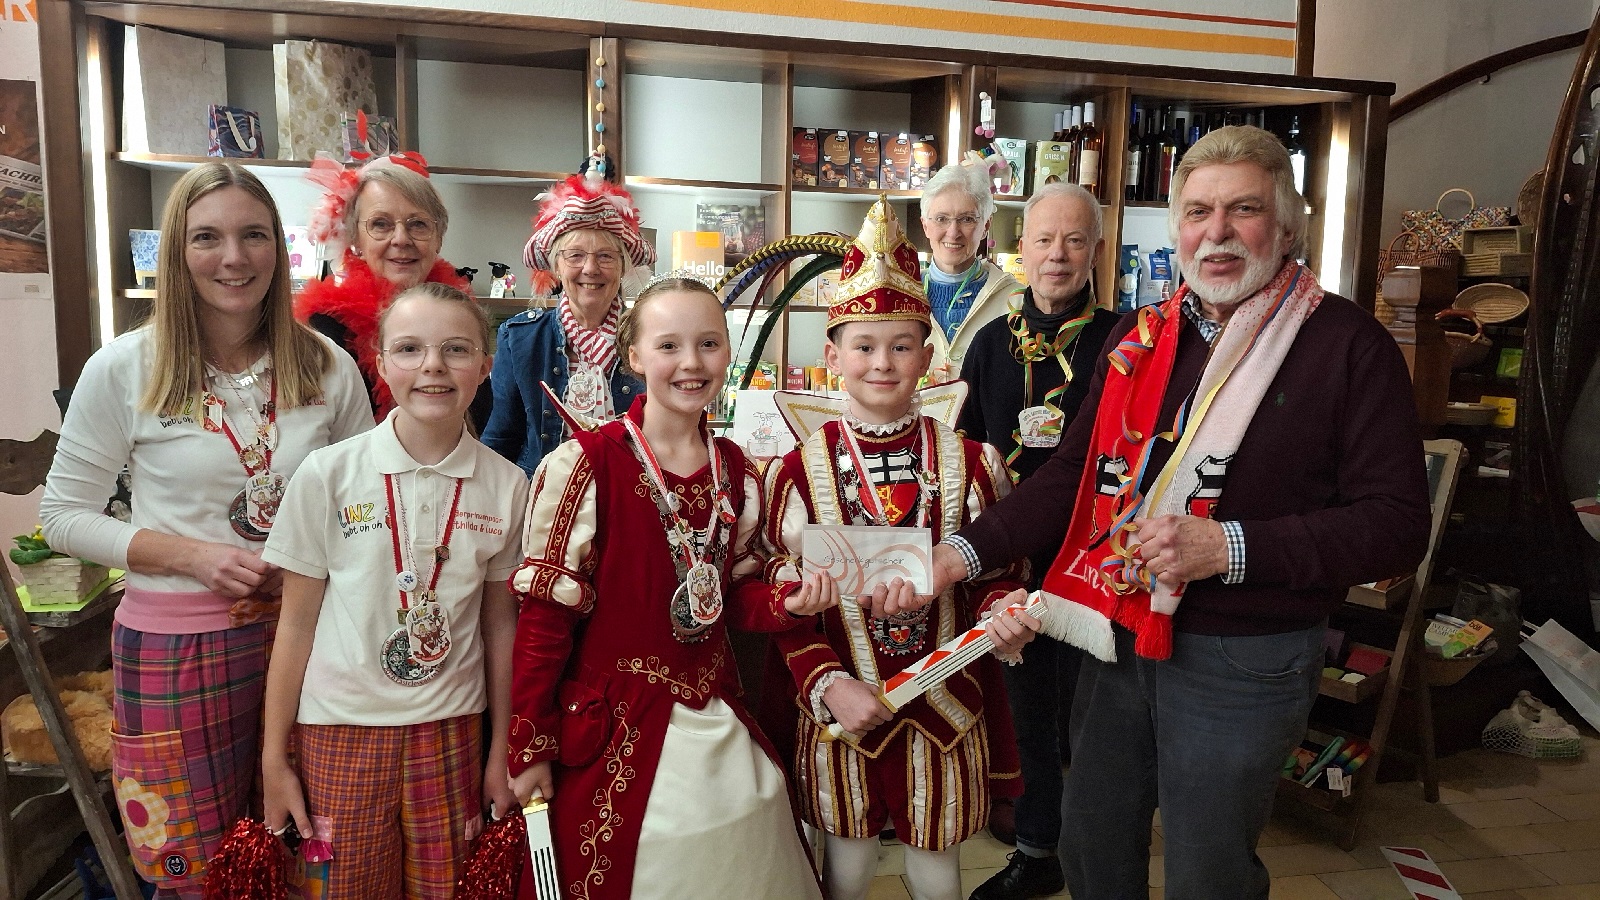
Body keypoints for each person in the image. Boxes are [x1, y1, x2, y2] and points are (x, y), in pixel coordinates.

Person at [931, 126, 1432, 899]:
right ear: (1177, 229)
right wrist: (960, 554)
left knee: (1208, 872)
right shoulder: (1142, 336)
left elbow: (1397, 524)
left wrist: (1228, 548)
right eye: (1198, 212)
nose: (1217, 231)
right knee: (1091, 845)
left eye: (1244, 209)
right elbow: (1071, 475)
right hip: (1116, 630)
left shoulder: (1348, 345)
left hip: (1245, 653)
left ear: (1288, 227)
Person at [39, 162, 373, 898]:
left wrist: (319, 560)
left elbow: (367, 506)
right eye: (207, 238)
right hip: (177, 649)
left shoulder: (327, 367)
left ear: (278, 249)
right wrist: (190, 555)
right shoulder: (125, 367)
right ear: (176, 251)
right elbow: (61, 517)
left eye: (254, 235)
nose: (234, 257)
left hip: (311, 642)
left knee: (309, 854)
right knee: (188, 865)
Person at [754, 199, 1039, 900]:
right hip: (840, 701)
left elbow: (997, 572)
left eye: (901, 345)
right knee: (845, 867)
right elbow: (777, 595)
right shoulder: (794, 473)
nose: (882, 362)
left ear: (928, 354)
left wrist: (1002, 611)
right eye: (863, 346)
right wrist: (826, 682)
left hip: (946, 705)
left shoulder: (972, 464)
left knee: (938, 871)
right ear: (832, 356)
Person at [507, 277, 826, 900]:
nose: (691, 363)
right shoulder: (586, 465)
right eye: (669, 345)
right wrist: (530, 746)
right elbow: (545, 622)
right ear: (634, 356)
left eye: (708, 343)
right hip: (613, 722)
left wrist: (785, 602)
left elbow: (734, 593)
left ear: (727, 352)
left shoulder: (736, 469)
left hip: (717, 705)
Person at [260, 282, 526, 898]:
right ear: (380, 363)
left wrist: (502, 751)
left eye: (456, 349)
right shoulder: (328, 474)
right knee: (342, 888)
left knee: (447, 889)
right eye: (409, 349)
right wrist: (275, 756)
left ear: (486, 366)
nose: (433, 366)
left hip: (452, 731)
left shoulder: (508, 486)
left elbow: (500, 626)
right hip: (338, 730)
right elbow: (294, 624)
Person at [959, 182, 1121, 900]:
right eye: (1044, 240)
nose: (1058, 255)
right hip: (1011, 560)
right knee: (1027, 710)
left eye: (1074, 240)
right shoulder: (990, 342)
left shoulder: (1125, 339)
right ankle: (1036, 849)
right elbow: (964, 448)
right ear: (1019, 248)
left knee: (1093, 718)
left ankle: (1094, 851)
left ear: (1096, 251)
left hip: (1097, 560)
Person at [482, 165, 654, 475]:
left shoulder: (650, 336)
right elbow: (500, 442)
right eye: (575, 255)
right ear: (557, 267)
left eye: (606, 256)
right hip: (543, 497)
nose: (590, 268)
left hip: (632, 495)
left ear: (623, 266)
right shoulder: (519, 338)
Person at [295, 153, 482, 424]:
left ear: (438, 238)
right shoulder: (325, 330)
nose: (401, 239)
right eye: (380, 224)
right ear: (355, 239)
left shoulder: (463, 319)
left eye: (418, 224)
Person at [921, 159, 1021, 381]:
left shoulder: (1016, 300)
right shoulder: (902, 294)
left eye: (966, 219)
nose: (953, 232)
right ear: (925, 225)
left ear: (986, 226)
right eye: (941, 219)